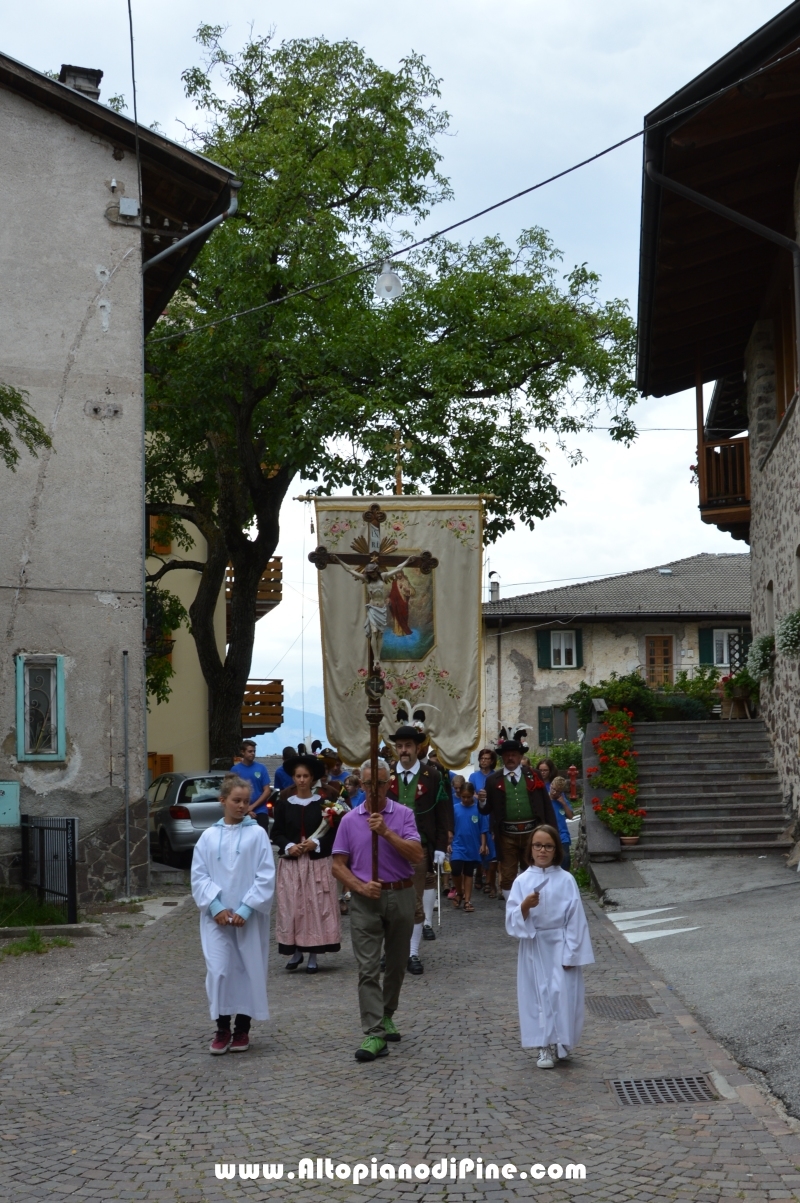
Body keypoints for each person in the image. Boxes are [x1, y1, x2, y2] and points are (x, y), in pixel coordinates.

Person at [332, 757, 424, 1062]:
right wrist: (358, 887)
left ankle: (387, 1013)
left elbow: (416, 855)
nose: (374, 789)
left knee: (396, 965)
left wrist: (386, 832)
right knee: (368, 968)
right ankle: (373, 1033)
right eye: (368, 783)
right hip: (364, 900)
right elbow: (337, 865)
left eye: (380, 783)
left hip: (400, 894)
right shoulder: (348, 820)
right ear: (361, 784)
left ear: (389, 783)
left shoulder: (404, 815)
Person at [190, 775, 276, 1055]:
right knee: (219, 969)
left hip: (247, 918)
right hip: (216, 916)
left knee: (248, 968)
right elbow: (199, 875)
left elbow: (265, 874)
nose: (241, 806)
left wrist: (246, 908)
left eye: (245, 801)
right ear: (223, 800)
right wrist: (215, 906)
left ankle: (242, 1028)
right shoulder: (209, 836)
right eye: (236, 801)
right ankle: (222, 1026)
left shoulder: (257, 834)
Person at [505, 824, 594, 1068]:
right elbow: (511, 919)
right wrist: (525, 906)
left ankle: (561, 1042)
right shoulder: (522, 881)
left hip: (561, 944)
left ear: (556, 850)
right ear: (530, 849)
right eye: (537, 845)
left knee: (561, 994)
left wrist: (572, 952)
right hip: (534, 944)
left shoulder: (566, 880)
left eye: (548, 846)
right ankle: (543, 1046)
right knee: (538, 996)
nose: (542, 850)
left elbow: (576, 919)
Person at [271, 753, 343, 974]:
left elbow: (334, 834)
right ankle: (296, 951)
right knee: (292, 906)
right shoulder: (284, 804)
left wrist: (316, 844)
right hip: (293, 864)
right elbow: (277, 833)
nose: (301, 780)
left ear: (312, 779)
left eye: (305, 776)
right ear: (293, 778)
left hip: (316, 863)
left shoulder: (323, 804)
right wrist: (289, 846)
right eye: (298, 776)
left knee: (315, 906)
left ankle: (313, 954)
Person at [386, 725, 450, 974]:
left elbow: (442, 814)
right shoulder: (386, 775)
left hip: (419, 847)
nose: (404, 751)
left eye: (408, 746)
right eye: (400, 746)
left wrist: (440, 847)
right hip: (388, 847)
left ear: (418, 748)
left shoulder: (432, 775)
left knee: (414, 902)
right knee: (387, 901)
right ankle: (390, 952)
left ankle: (412, 953)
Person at [485, 739, 558, 900]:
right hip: (506, 836)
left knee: (533, 871)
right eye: (507, 755)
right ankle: (513, 910)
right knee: (508, 875)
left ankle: (534, 906)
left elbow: (546, 804)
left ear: (520, 757)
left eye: (514, 755)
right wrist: (482, 801)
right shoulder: (493, 780)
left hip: (532, 834)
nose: (510, 758)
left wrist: (552, 831)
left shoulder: (533, 775)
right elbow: (486, 809)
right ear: (502, 758)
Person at [449, 782, 489, 912]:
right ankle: (459, 892)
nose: (465, 800)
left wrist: (483, 844)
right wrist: (448, 843)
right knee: (455, 869)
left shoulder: (478, 809)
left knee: (468, 872)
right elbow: (449, 828)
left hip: (472, 845)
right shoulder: (455, 808)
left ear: (473, 795)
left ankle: (467, 900)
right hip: (458, 844)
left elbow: (483, 829)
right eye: (463, 797)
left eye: (468, 797)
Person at [470, 748, 499, 896]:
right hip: (477, 813)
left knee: (492, 847)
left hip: (492, 813)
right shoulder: (474, 776)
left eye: (487, 758)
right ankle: (479, 873)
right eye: (482, 758)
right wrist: (478, 796)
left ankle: (490, 881)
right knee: (479, 845)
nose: (484, 761)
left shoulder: (496, 776)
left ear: (492, 761)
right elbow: (469, 792)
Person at [230, 740, 272, 832]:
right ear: (242, 752)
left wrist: (252, 807)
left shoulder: (261, 768)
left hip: (260, 811)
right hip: (241, 812)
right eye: (250, 751)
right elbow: (232, 792)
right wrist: (247, 810)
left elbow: (267, 791)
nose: (252, 754)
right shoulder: (235, 770)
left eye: (254, 751)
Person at [548, 775, 574, 872]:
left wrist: (563, 803)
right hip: (549, 835)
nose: (554, 792)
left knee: (565, 859)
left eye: (558, 791)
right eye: (553, 789)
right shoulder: (545, 799)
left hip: (563, 835)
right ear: (551, 785)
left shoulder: (562, 800)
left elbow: (571, 816)